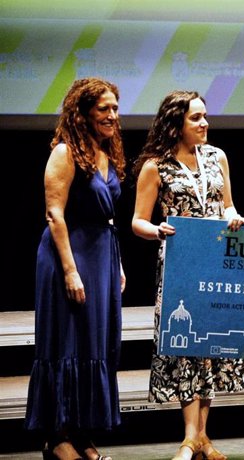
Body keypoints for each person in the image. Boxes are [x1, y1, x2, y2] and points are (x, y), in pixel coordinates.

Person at [132, 90, 244, 460]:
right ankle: (188, 436)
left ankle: (204, 436)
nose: (205, 123)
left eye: (205, 116)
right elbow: (137, 221)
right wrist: (158, 231)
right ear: (176, 123)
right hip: (181, 263)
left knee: (211, 346)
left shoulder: (218, 157)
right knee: (185, 347)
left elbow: (228, 204)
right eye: (196, 118)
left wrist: (235, 217)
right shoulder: (157, 166)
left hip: (218, 261)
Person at [24, 77, 126, 460]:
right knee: (66, 342)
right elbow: (55, 214)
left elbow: (109, 216)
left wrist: (118, 265)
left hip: (101, 256)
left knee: (94, 344)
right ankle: (58, 437)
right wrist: (69, 270)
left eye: (115, 108)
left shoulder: (104, 154)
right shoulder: (65, 152)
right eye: (104, 109)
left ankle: (82, 435)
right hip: (69, 254)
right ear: (83, 113)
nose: (112, 115)